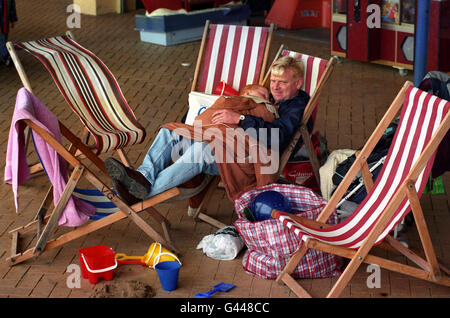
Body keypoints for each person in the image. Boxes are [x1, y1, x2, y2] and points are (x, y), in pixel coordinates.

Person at [105, 56, 311, 204]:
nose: (275, 87)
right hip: (224, 140)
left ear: (298, 83)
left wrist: (239, 118)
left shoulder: (296, 106)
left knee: (200, 152)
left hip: (244, 159)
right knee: (173, 132)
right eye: (273, 81)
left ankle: (139, 197)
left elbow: (278, 137)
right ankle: (143, 178)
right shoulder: (271, 98)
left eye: (282, 82)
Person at [0, 0, 17, 67]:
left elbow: (12, 8)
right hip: (3, 24)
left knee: (3, 41)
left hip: (4, 24)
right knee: (2, 41)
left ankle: (6, 56)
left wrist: (13, 20)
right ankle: (6, 56)